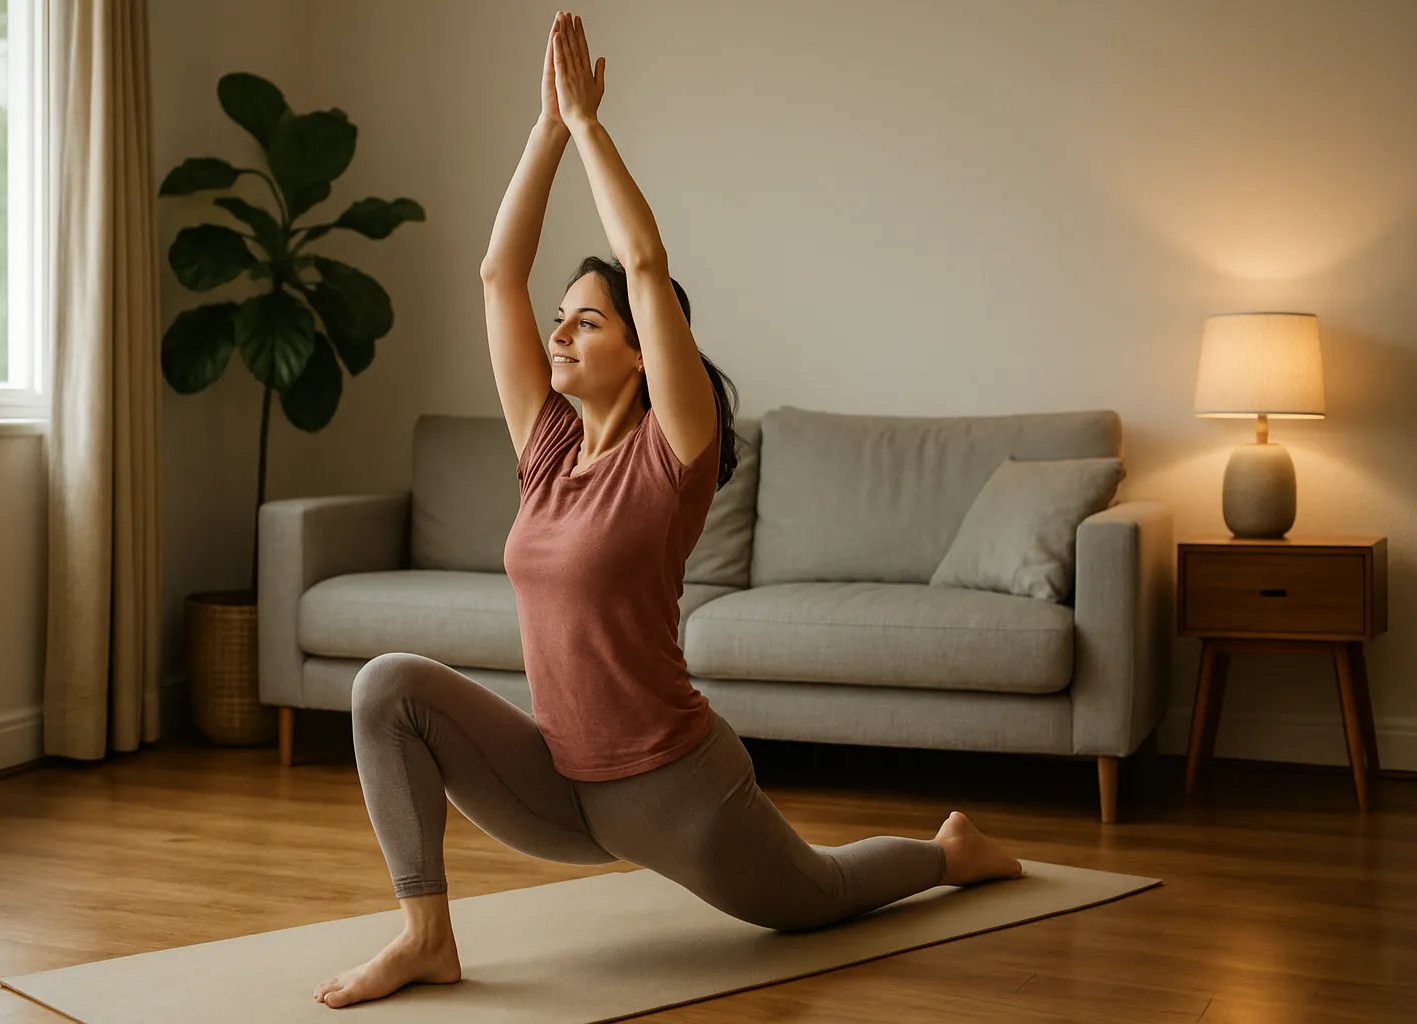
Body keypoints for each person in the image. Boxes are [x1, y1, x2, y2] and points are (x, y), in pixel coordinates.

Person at [312, 11, 1023, 1010]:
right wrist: (545, 132)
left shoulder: (673, 451)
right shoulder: (549, 448)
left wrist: (593, 126)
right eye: (562, 316)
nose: (560, 329)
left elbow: (645, 266)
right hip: (557, 785)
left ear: (645, 351)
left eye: (587, 320)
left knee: (822, 893)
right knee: (387, 685)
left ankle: (949, 850)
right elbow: (495, 278)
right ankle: (426, 935)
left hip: (674, 792)